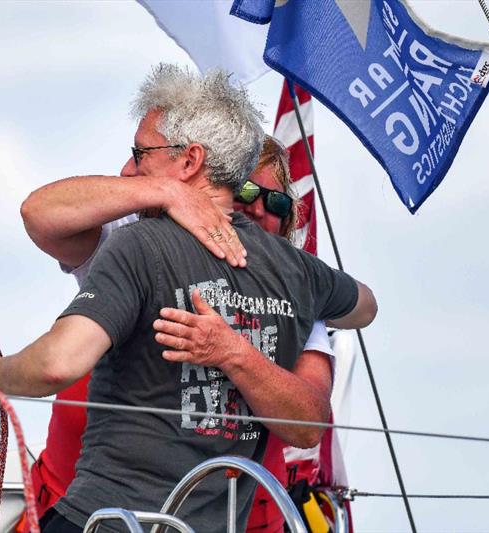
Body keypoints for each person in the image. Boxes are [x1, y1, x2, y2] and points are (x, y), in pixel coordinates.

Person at [0, 64, 377, 532]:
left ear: (191, 161)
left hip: (104, 521)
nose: (132, 168)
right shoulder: (300, 275)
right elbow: (365, 306)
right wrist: (167, 191)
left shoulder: (136, 245)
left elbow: (58, 364)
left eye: (141, 152)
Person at [19, 135, 332, 533]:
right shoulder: (134, 249)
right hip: (84, 513)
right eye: (244, 190)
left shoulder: (299, 293)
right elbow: (39, 212)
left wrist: (232, 351)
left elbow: (308, 426)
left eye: (277, 203)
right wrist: (163, 189)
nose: (256, 207)